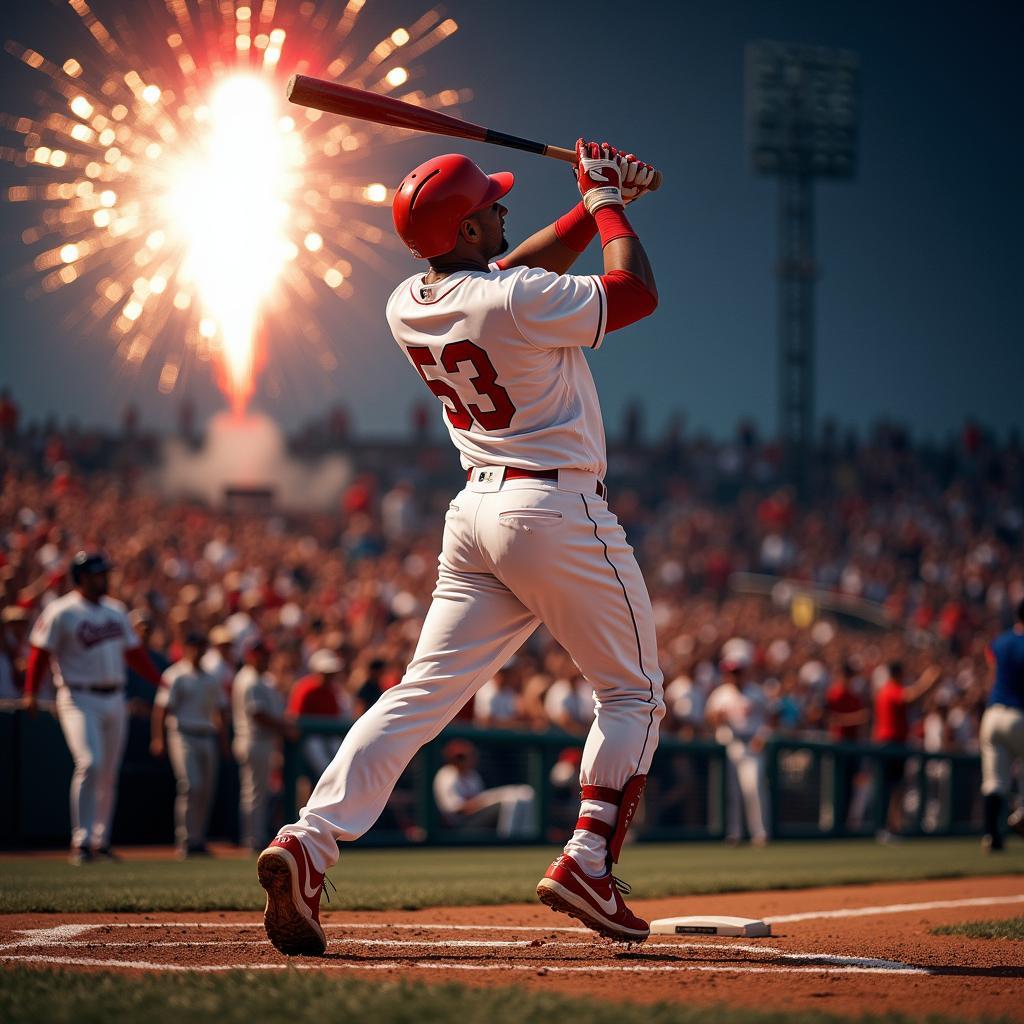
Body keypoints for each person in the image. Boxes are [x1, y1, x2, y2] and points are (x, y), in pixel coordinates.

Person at [257, 140, 664, 956]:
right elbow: (635, 293)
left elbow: (507, 267)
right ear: (468, 230)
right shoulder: (512, 299)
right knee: (633, 695)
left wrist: (589, 204)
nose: (504, 210)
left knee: (419, 695)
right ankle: (588, 858)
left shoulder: (409, 298)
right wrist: (608, 201)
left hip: (477, 515)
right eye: (490, 206)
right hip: (555, 508)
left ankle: (309, 840)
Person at [22, 552, 162, 864]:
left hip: (115, 697)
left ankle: (100, 840)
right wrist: (31, 690)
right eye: (99, 573)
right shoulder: (62, 610)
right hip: (77, 696)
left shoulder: (115, 610)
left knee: (109, 773)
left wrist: (160, 680)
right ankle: (81, 840)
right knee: (90, 762)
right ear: (82, 577)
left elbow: (135, 654)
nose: (105, 578)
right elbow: (40, 652)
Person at [150, 631, 228, 857]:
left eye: (202, 645)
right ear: (185, 648)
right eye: (194, 645)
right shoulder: (175, 674)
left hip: (206, 734)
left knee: (206, 790)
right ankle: (185, 840)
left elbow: (221, 710)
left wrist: (224, 742)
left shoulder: (211, 677)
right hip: (182, 734)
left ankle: (198, 839)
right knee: (191, 785)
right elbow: (161, 709)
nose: (198, 650)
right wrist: (158, 738)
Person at [704, 641, 771, 846]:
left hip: (751, 743)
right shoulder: (720, 694)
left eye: (737, 671)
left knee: (753, 789)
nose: (733, 675)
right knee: (731, 793)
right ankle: (734, 833)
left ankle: (760, 833)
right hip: (728, 744)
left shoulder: (756, 692)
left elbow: (770, 719)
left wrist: (762, 736)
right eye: (731, 671)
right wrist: (717, 718)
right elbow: (710, 720)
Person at [232, 641, 293, 851]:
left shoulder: (262, 679)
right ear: (250, 656)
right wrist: (284, 727)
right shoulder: (248, 679)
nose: (264, 659)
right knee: (254, 793)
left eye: (265, 655)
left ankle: (256, 836)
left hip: (262, 741)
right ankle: (251, 839)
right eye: (260, 655)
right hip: (252, 740)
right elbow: (258, 715)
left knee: (259, 792)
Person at [872, 660, 941, 841]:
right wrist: (928, 680)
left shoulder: (888, 689)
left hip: (894, 744)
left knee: (896, 787)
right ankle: (886, 827)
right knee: (891, 787)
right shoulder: (890, 689)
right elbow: (909, 697)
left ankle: (893, 826)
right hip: (890, 744)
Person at [979, 599, 1024, 851]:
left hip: (993, 714)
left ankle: (990, 836)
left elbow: (990, 664)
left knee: (994, 781)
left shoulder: (1002, 640)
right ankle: (1021, 814)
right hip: (1020, 714)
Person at [433, 739, 535, 838]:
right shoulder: (446, 775)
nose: (464, 760)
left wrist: (486, 800)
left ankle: (523, 837)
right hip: (458, 825)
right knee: (506, 804)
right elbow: (455, 810)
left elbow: (477, 801)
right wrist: (485, 800)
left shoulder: (472, 775)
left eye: (466, 756)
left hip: (475, 818)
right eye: (459, 757)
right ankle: (507, 841)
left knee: (522, 794)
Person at [287, 649, 349, 780]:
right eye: (326, 673)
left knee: (342, 758)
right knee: (322, 764)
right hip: (309, 738)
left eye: (331, 673)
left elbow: (335, 717)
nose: (329, 677)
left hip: (328, 737)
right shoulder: (305, 688)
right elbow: (294, 717)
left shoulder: (332, 690)